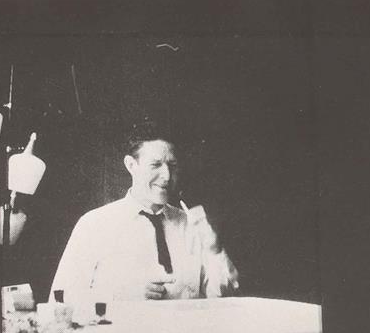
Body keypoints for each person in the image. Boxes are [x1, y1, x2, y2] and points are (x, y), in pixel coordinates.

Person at [49, 129, 241, 303]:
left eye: (172, 165)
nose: (167, 176)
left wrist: (215, 250)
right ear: (131, 165)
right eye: (155, 165)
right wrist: (121, 295)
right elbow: (60, 297)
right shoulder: (94, 224)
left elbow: (225, 300)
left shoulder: (191, 225)